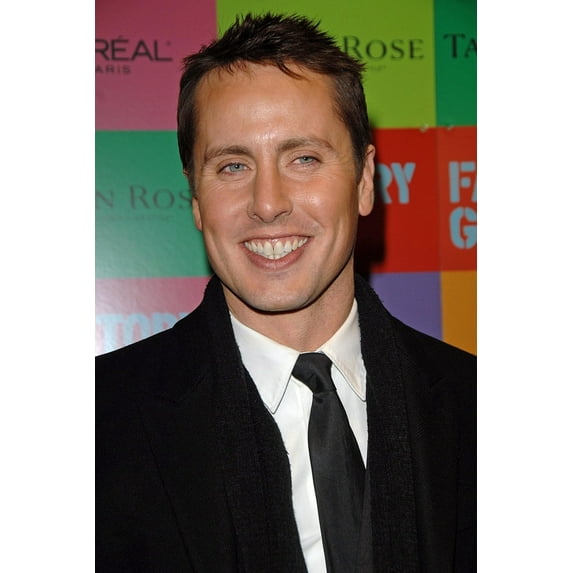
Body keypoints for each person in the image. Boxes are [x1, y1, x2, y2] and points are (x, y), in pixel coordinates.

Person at [96, 13, 476, 573]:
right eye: (233, 165)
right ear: (196, 200)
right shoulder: (97, 424)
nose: (268, 203)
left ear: (364, 180)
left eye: (303, 159)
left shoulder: (478, 405)